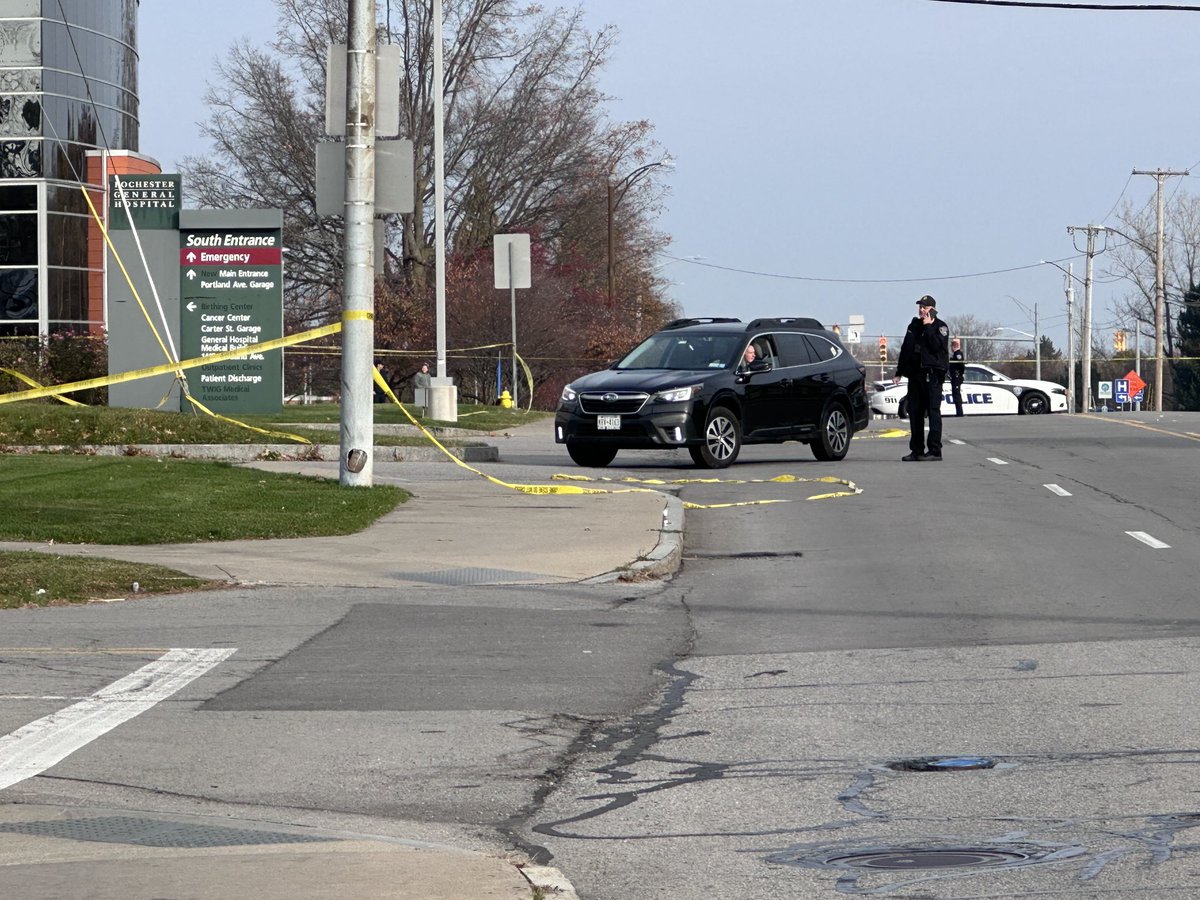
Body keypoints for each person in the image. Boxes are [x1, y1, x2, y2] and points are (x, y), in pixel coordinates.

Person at [893, 295, 949, 461]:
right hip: (915, 375)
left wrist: (929, 327)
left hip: (932, 376)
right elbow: (906, 349)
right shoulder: (914, 326)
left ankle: (934, 450)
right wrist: (899, 371)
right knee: (915, 412)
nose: (921, 309)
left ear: (932, 309)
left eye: (924, 307)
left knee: (933, 411)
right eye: (920, 307)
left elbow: (936, 346)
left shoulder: (940, 326)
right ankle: (916, 450)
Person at [948, 337, 965, 417]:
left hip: (957, 377)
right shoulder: (954, 355)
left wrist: (959, 374)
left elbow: (961, 365)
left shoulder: (958, 354)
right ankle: (958, 412)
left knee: (957, 395)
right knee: (955, 394)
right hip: (954, 377)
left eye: (953, 345)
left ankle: (959, 412)